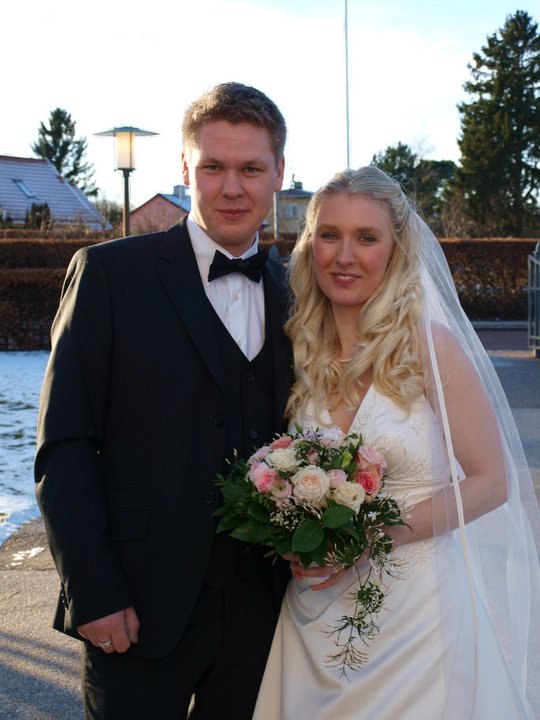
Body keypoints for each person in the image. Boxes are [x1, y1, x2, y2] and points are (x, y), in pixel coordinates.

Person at [34, 82, 293, 719]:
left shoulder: (298, 293)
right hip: (135, 606)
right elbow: (64, 445)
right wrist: (92, 590)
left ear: (279, 173)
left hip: (267, 615)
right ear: (185, 167)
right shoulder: (108, 276)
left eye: (251, 169)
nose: (231, 188)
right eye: (213, 167)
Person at [253, 166, 540, 719]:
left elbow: (491, 482)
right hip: (315, 613)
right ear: (310, 246)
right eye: (330, 235)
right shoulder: (299, 351)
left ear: (395, 249)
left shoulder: (431, 347)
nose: (345, 256)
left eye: (366, 237)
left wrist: (370, 538)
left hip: (421, 618)